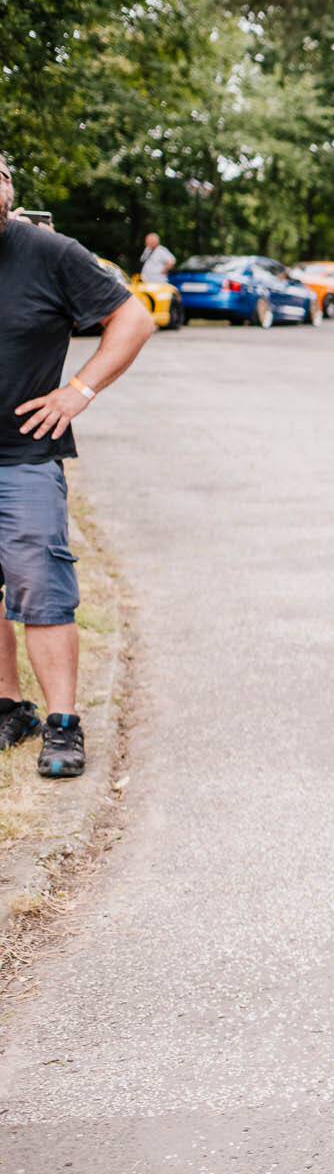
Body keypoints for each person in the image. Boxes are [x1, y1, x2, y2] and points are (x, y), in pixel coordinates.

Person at [0, 150, 156, 777]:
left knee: (41, 589)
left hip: (24, 457)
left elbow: (133, 318)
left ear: (9, 190)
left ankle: (63, 724)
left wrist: (79, 390)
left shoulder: (50, 253)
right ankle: (11, 707)